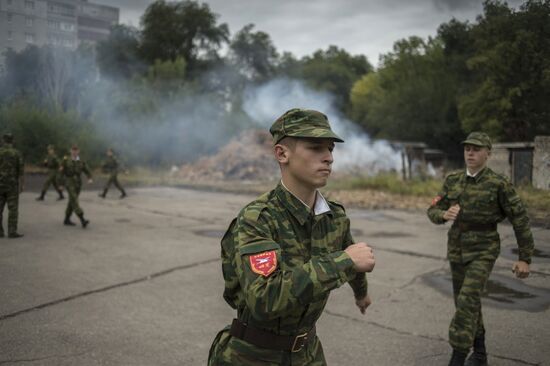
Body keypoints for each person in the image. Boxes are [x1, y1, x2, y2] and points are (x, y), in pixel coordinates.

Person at [208, 108, 376, 365]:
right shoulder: (258, 218)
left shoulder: (334, 216)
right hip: (253, 355)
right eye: (315, 147)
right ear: (282, 153)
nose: (328, 157)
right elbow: (264, 300)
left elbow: (354, 260)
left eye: (330, 149)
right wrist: (342, 262)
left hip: (308, 353)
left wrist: (361, 294)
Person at [427, 132, 535, 366]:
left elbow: (520, 219)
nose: (471, 153)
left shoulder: (498, 184)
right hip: (456, 249)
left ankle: (457, 357)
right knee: (466, 303)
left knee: (466, 301)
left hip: (483, 250)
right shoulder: (453, 180)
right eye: (467, 149)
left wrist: (525, 257)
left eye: (476, 149)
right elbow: (432, 210)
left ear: (488, 153)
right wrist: (443, 215)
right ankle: (480, 354)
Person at [59, 145, 93, 228]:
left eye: (76, 150)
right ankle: (82, 219)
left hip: (78, 183)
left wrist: (89, 178)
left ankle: (66, 219)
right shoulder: (65, 160)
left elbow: (87, 170)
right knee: (74, 199)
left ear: (78, 151)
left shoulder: (81, 161)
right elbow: (60, 173)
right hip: (69, 181)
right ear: (70, 151)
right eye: (73, 150)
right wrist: (60, 184)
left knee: (72, 201)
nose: (74, 152)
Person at [0, 133, 25, 238]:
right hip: (12, 185)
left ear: (3, 140)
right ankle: (12, 231)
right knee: (13, 209)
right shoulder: (17, 153)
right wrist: (22, 185)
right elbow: (21, 171)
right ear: (12, 141)